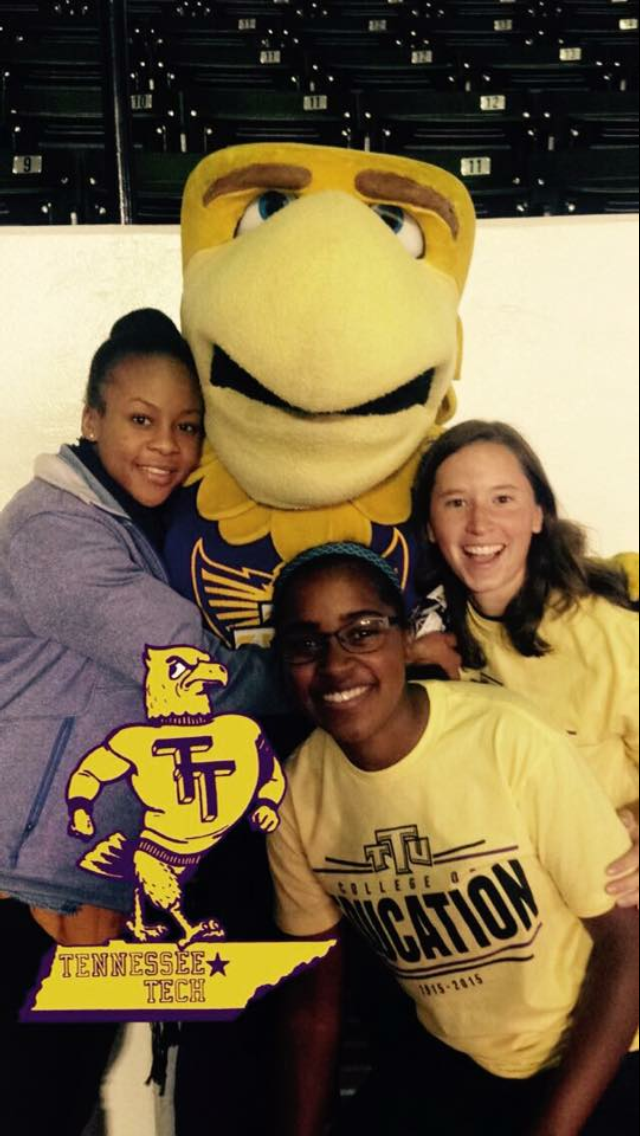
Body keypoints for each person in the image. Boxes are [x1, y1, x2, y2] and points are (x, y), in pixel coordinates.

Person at [0, 308, 287, 1135]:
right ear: (90, 421)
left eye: (187, 427)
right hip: (28, 884)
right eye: (140, 420)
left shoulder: (131, 529)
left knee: (68, 1093)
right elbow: (189, 672)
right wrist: (334, 671)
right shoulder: (58, 529)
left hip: (76, 880)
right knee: (37, 1099)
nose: (166, 445)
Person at [267, 541, 639, 1136]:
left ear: (404, 637)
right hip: (460, 1062)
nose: (336, 665)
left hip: (607, 1051)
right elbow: (313, 1007)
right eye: (305, 644)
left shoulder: (507, 738)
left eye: (362, 632)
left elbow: (628, 949)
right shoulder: (293, 794)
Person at [411, 419, 639, 908]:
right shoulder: (421, 632)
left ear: (539, 514)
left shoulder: (612, 634)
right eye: (456, 503)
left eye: (502, 499)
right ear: (430, 526)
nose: (478, 524)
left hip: (607, 900)